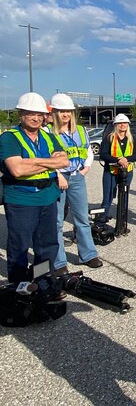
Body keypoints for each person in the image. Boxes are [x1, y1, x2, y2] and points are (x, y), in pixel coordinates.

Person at [0, 92, 69, 281]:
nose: (36, 118)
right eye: (31, 113)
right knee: (20, 245)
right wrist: (49, 161)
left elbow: (64, 161)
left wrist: (33, 161)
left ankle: (42, 280)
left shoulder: (48, 137)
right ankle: (19, 285)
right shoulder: (10, 138)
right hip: (22, 199)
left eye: (40, 114)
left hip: (48, 196)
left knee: (47, 245)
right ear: (21, 114)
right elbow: (17, 170)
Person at [49, 93, 102, 274]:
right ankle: (58, 263)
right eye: (61, 111)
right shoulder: (48, 132)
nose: (65, 114)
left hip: (77, 177)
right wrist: (58, 175)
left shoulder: (80, 130)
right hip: (57, 180)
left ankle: (88, 255)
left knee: (82, 218)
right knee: (56, 222)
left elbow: (87, 151)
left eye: (68, 111)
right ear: (55, 112)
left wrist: (85, 168)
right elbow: (45, 158)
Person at [99, 114, 136, 226]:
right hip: (110, 172)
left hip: (127, 172)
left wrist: (126, 159)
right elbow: (103, 154)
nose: (122, 125)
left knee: (124, 198)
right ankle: (101, 222)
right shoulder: (109, 138)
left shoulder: (131, 139)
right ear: (115, 125)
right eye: (120, 123)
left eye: (125, 123)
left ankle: (122, 223)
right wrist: (118, 160)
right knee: (108, 198)